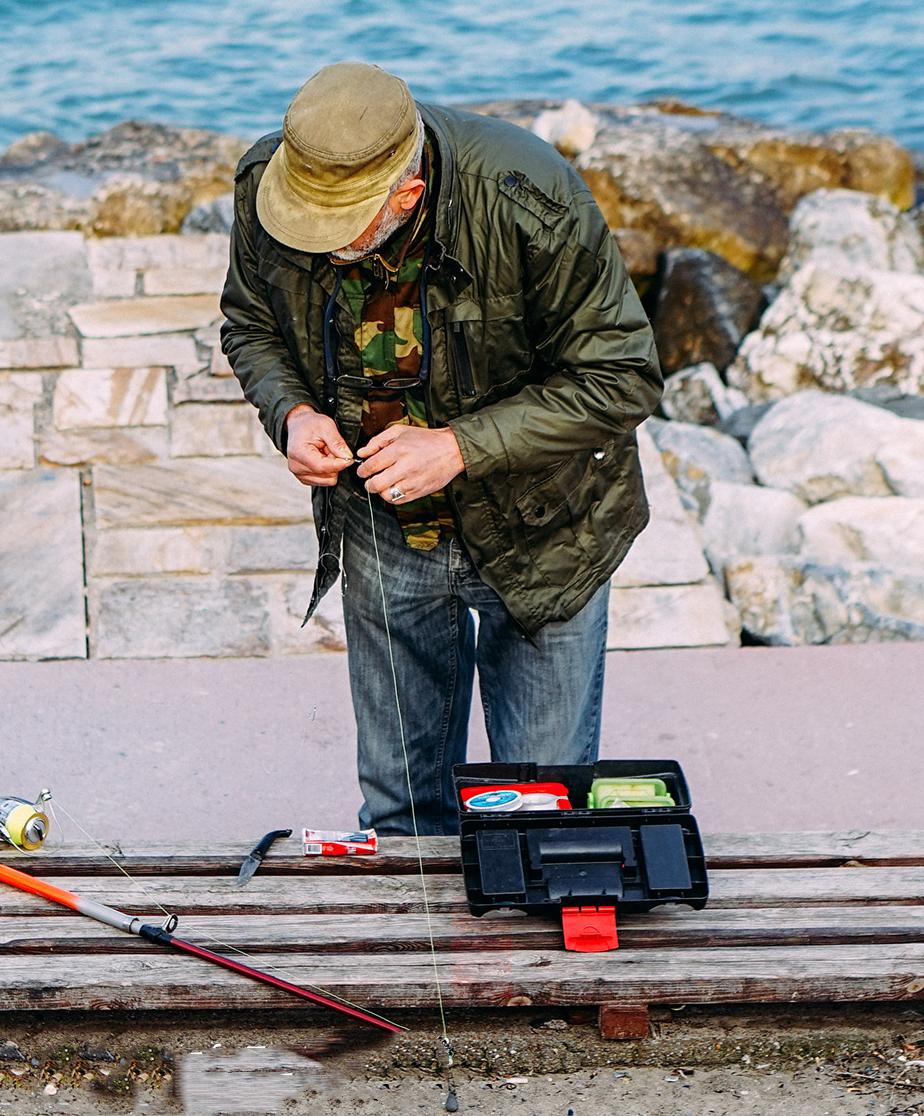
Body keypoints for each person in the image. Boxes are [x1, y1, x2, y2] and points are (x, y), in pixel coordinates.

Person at [219, 62, 661, 836]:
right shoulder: (271, 185)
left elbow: (622, 376)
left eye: (337, 233)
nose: (317, 246)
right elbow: (249, 323)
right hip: (384, 533)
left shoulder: (532, 195)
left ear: (407, 197)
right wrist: (289, 412)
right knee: (400, 819)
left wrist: (460, 446)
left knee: (544, 816)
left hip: (545, 534)